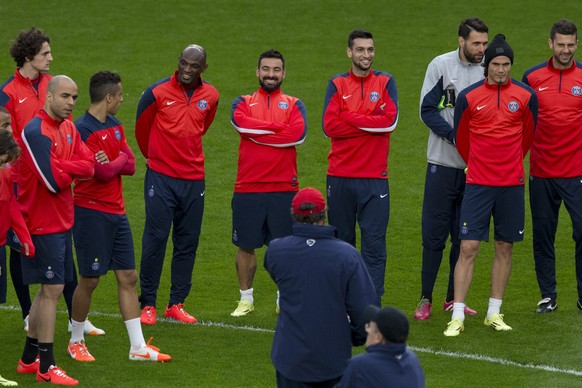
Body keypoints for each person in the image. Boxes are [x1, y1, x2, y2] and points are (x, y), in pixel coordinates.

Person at [0, 27, 103, 336]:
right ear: (29, 55)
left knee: (60, 252)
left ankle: (76, 316)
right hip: (22, 183)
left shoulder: (53, 86)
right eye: (45, 53)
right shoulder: (7, 93)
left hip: (56, 178)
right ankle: (28, 315)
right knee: (21, 252)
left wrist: (66, 163)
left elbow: (65, 129)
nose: (51, 58)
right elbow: (6, 138)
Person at [67, 71, 171, 363]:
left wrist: (116, 160)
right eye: (120, 96)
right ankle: (75, 340)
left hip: (117, 212)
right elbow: (100, 173)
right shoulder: (82, 130)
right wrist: (116, 161)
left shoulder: (114, 125)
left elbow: (130, 165)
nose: (123, 100)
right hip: (90, 213)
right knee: (90, 279)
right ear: (109, 97)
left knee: (128, 276)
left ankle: (137, 347)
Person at [443, 34, 538, 337]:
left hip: (510, 184)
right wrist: (480, 163)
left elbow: (528, 136)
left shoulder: (525, 96)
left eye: (506, 64)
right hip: (479, 184)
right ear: (487, 65)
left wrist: (508, 162)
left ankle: (493, 312)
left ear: (511, 65)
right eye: (496, 64)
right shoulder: (469, 97)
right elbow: (461, 138)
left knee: (504, 246)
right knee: (468, 246)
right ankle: (457, 315)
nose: (501, 69)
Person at [16, 75, 95, 385]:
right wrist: (69, 169)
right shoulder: (36, 132)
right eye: (65, 96)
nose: (71, 103)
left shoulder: (68, 126)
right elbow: (51, 182)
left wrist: (65, 167)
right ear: (48, 97)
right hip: (41, 223)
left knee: (47, 291)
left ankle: (27, 359)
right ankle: (46, 367)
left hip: (61, 221)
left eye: (74, 97)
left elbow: (89, 167)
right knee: (52, 291)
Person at [135, 44, 219, 325]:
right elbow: (141, 127)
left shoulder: (211, 95)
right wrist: (153, 157)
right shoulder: (156, 92)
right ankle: (148, 303)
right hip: (161, 178)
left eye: (193, 66)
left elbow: (202, 126)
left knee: (187, 242)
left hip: (194, 180)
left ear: (203, 69)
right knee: (156, 238)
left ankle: (176, 303)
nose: (186, 69)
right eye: (183, 63)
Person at [264, 187, 377, 387]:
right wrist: (356, 337)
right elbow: (364, 308)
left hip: (291, 360)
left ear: (293, 215)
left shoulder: (276, 251)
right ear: (324, 214)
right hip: (333, 360)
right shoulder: (347, 255)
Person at [415, 18, 489, 320]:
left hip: (476, 171)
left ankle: (451, 298)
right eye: (476, 44)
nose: (482, 49)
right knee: (434, 236)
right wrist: (454, 135)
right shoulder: (440, 66)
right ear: (461, 41)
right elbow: (426, 109)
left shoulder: (489, 70)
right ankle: (425, 298)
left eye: (484, 43)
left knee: (464, 236)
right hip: (442, 165)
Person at [322, 29, 398, 306]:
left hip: (374, 179)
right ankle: (343, 301)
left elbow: (389, 122)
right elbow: (329, 126)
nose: (366, 55)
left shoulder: (386, 82)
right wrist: (368, 121)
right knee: (342, 245)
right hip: (340, 177)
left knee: (374, 246)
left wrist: (349, 118)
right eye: (361, 50)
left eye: (370, 49)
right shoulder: (337, 84)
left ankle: (370, 303)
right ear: (349, 52)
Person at [229, 49, 307, 316]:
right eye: (266, 69)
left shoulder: (295, 104)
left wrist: (259, 132)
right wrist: (278, 130)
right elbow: (242, 126)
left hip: (284, 187)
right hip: (248, 187)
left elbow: (297, 135)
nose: (270, 74)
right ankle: (246, 299)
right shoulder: (242, 102)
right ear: (257, 71)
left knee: (284, 248)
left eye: (276, 70)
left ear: (284, 73)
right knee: (245, 245)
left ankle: (282, 298)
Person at [522, 19, 582, 314]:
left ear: (576, 44)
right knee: (543, 234)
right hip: (541, 171)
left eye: (571, 45)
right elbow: (522, 120)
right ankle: (548, 295)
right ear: (550, 44)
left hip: (577, 172)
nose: (566, 50)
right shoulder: (532, 77)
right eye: (561, 45)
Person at [0, 119, 35, 388]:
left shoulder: (4, 174)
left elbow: (11, 206)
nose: (5, 168)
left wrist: (24, 238)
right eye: (2, 162)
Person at [339, 305, 425, 388]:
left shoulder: (359, 365)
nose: (366, 329)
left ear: (378, 337)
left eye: (369, 326)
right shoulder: (412, 359)